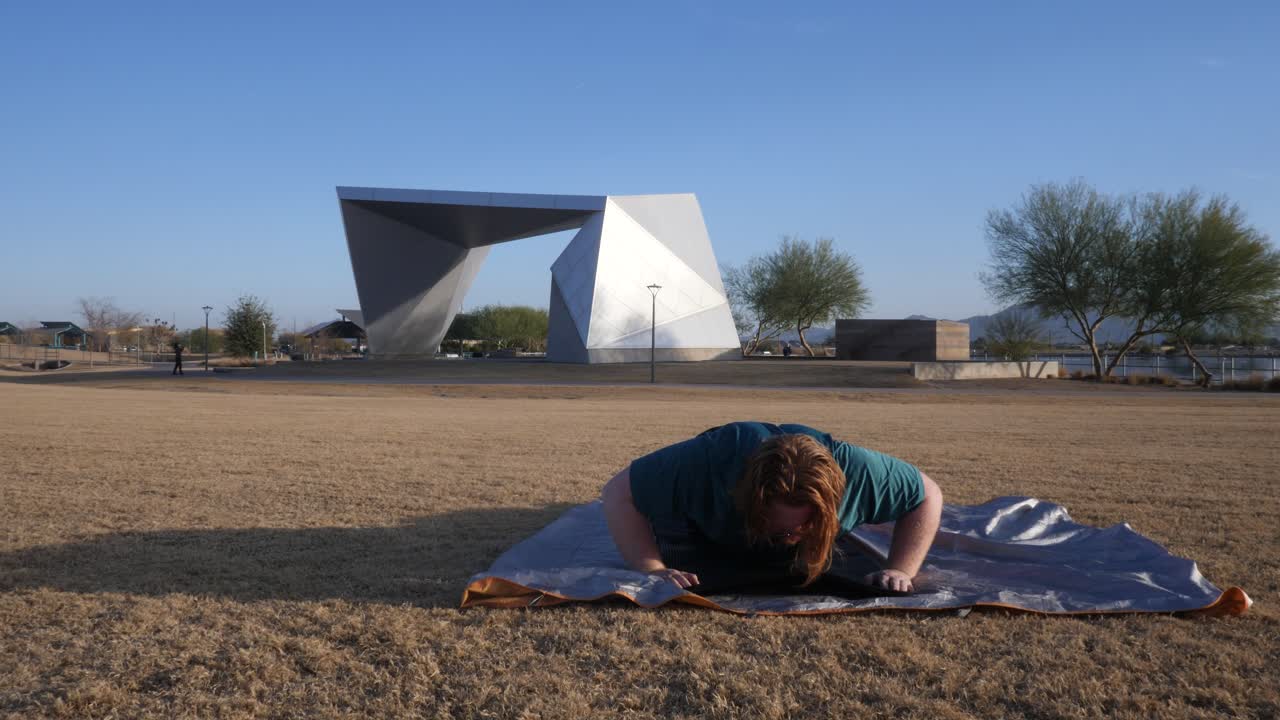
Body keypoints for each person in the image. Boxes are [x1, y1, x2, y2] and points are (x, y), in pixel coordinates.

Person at [601, 422, 942, 593]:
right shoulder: (705, 464)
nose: (788, 538)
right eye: (777, 528)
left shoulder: (860, 473)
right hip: (711, 527)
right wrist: (652, 567)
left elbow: (928, 494)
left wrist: (902, 568)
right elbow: (618, 493)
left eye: (802, 528)